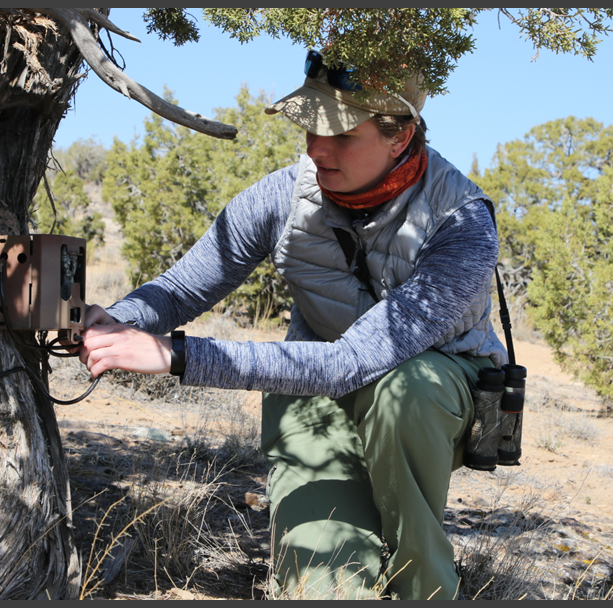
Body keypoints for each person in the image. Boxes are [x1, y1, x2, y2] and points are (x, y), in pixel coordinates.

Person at [77, 52, 505, 600]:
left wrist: (175, 355)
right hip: (313, 398)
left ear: (399, 137)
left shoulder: (461, 221)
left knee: (406, 389)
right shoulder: (284, 195)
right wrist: (117, 322)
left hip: (430, 403)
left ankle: (424, 586)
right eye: (309, 125)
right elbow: (185, 288)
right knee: (325, 588)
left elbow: (353, 362)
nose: (315, 147)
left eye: (340, 133)